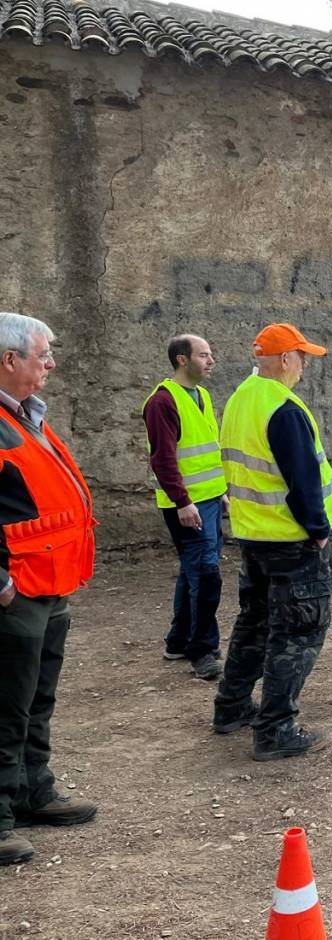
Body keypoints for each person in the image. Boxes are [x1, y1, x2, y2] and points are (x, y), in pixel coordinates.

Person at [212, 323, 332, 761]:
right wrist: (319, 531)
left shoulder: (241, 398)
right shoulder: (283, 408)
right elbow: (302, 480)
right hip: (293, 540)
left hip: (255, 535)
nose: (305, 365)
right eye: (302, 357)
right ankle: (275, 729)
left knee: (255, 622)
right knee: (298, 631)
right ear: (285, 359)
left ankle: (231, 706)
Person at [0, 313, 97, 866]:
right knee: (6, 707)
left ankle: (32, 791)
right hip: (16, 594)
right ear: (9, 359)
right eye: (43, 355)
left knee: (36, 700)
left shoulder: (24, 416)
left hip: (48, 586)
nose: (52, 364)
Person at [142, 334, 226, 681]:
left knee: (195, 572)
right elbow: (162, 459)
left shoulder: (202, 395)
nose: (211, 361)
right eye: (204, 355)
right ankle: (202, 649)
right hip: (187, 506)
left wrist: (219, 491)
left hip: (208, 499)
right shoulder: (162, 401)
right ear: (182, 359)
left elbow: (207, 449)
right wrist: (183, 501)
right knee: (206, 574)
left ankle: (179, 641)